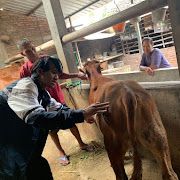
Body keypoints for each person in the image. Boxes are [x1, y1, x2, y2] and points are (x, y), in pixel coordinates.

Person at [0, 56, 109, 180]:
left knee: (40, 167)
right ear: (40, 71)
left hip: (21, 145)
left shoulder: (42, 93)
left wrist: (82, 114)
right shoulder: (25, 87)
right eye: (53, 72)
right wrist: (82, 114)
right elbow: (40, 119)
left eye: (58, 73)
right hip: (7, 147)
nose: (57, 77)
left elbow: (59, 109)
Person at [18, 38, 94, 166]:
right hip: (43, 103)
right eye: (28, 51)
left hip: (56, 98)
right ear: (22, 54)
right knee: (52, 129)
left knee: (70, 121)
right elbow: (27, 90)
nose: (33, 51)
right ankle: (61, 152)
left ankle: (81, 143)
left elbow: (60, 74)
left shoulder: (47, 59)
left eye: (33, 48)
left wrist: (76, 75)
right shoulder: (24, 70)